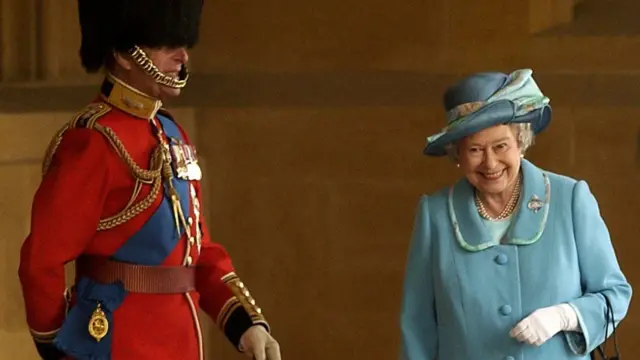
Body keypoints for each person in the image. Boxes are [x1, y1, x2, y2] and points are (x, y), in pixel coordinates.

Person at [17, 1, 282, 359]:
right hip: (115, 344)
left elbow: (197, 253)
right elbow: (41, 262)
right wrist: (59, 349)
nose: (182, 56)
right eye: (165, 43)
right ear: (126, 54)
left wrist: (245, 324)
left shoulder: (170, 133)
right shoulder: (94, 143)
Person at [399, 69, 632, 360]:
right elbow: (418, 325)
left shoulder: (569, 199)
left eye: (500, 146)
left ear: (520, 142)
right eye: (475, 149)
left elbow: (614, 294)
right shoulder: (435, 215)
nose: (490, 162)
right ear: (457, 155)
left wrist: (564, 316)